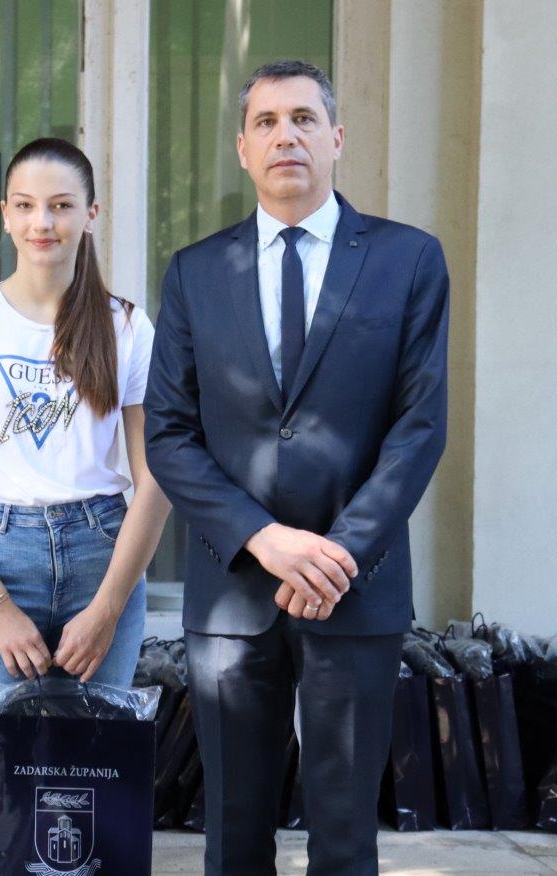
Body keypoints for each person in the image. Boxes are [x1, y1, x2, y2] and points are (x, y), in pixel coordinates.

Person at [144, 60, 449, 874]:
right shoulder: (196, 272)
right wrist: (265, 539)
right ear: (243, 148)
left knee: (345, 840)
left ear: (337, 139)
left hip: (356, 586)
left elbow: (420, 426)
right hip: (234, 594)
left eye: (305, 119)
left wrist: (338, 553)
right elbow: (168, 434)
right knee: (233, 838)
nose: (287, 136)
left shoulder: (408, 260)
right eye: (268, 122)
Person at [0, 137, 172, 871]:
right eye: (26, 206)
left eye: (60, 206)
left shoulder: (127, 327)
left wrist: (109, 607)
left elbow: (156, 478)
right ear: (4, 214)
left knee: (90, 779)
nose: (42, 223)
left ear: (91, 214)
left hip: (103, 554)